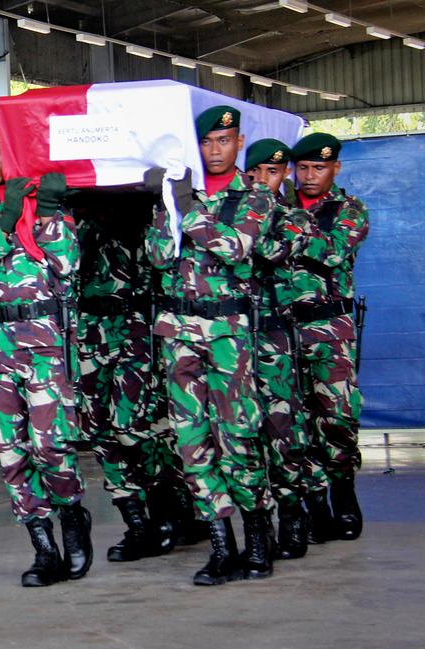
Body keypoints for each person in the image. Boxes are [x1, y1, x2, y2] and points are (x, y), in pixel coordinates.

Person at [0, 120, 91, 587]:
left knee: (51, 445)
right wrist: (4, 223)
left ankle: (72, 517)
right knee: (11, 451)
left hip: (45, 340)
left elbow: (68, 263)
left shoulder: (47, 205)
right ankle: (42, 546)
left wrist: (44, 211)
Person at [143, 106, 274, 585]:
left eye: (224, 141)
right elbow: (158, 256)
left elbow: (235, 247)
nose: (215, 150)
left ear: (239, 144)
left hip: (227, 337)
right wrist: (166, 205)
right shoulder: (178, 194)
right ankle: (222, 546)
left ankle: (257, 537)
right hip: (180, 333)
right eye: (206, 141)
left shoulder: (254, 196)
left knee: (237, 436)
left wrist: (185, 205)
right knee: (191, 441)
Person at [74, 190, 180, 563]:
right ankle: (136, 522)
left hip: (135, 327)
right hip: (90, 327)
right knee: (98, 430)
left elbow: (163, 258)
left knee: (134, 425)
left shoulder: (145, 204)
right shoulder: (72, 211)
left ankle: (167, 509)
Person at [288, 132, 369, 543]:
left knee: (336, 417)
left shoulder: (349, 209)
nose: (309, 176)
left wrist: (290, 228)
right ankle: (316, 504)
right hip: (284, 331)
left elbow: (332, 251)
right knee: (294, 421)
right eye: (302, 168)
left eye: (318, 168)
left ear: (335, 168)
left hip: (330, 330)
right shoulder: (277, 206)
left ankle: (343, 490)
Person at [244, 138, 312, 559]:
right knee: (242, 434)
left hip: (275, 338)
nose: (263, 180)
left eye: (272, 172)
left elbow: (268, 250)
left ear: (284, 175)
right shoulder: (233, 213)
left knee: (281, 429)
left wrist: (246, 218)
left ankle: (291, 513)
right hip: (234, 338)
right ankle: (258, 523)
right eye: (256, 173)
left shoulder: (294, 217)